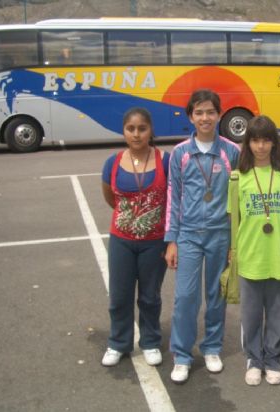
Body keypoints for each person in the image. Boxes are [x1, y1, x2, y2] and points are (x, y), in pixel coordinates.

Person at [164, 89, 240, 384]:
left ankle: (212, 348)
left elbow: (237, 199)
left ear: (219, 114)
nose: (205, 117)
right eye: (199, 112)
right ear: (190, 117)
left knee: (216, 295)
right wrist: (172, 239)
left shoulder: (231, 151)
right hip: (189, 236)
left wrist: (235, 242)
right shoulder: (181, 153)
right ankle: (182, 355)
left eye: (210, 112)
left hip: (221, 234)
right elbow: (174, 197)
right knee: (185, 297)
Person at [100, 107, 170, 368]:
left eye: (142, 128)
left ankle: (150, 341)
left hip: (155, 242)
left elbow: (173, 201)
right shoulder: (113, 162)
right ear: (124, 132)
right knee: (119, 296)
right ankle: (118, 342)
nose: (137, 134)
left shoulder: (165, 160)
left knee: (150, 296)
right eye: (131, 129)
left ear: (151, 130)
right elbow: (110, 198)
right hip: (122, 241)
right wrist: (130, 221)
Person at [229, 115, 280, 386]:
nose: (261, 146)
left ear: (274, 143)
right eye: (255, 140)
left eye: (266, 140)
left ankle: (273, 358)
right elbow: (234, 219)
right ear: (248, 143)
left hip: (278, 254)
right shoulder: (238, 176)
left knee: (277, 310)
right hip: (250, 254)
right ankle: (254, 359)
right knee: (251, 313)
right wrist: (232, 250)